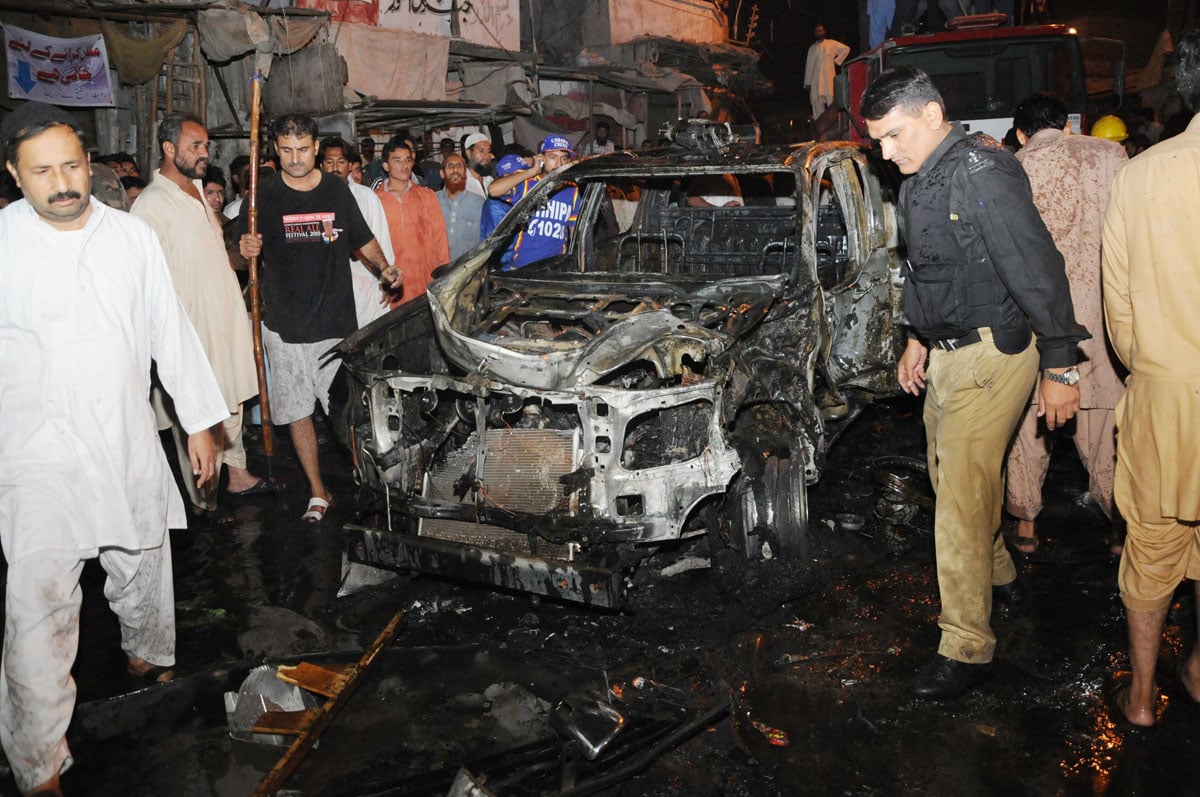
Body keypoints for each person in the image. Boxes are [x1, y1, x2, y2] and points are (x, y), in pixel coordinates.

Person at [0, 101, 227, 796]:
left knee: (142, 561)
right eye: (42, 170)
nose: (62, 182)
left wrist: (199, 422)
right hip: (35, 452)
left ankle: (145, 655)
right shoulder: (2, 242)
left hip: (125, 433)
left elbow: (169, 329)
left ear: (90, 164)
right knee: (36, 605)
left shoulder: (130, 238)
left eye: (72, 164)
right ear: (14, 174)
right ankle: (39, 761)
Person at [860, 67, 1088, 700]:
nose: (886, 152)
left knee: (957, 501)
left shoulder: (980, 171)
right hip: (951, 351)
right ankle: (999, 573)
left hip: (994, 351)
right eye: (878, 140)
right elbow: (927, 271)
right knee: (952, 475)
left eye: (894, 135)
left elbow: (1038, 268)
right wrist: (915, 339)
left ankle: (966, 645)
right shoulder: (921, 176)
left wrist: (1061, 365)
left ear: (933, 115)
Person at [1101, 26, 1200, 731]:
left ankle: (1140, 696)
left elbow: (1121, 314)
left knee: (1153, 545)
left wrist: (1157, 366)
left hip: (1167, 396)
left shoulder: (1142, 174)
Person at [237, 114, 400, 523]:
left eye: (303, 149)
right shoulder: (263, 194)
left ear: (315, 148)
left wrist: (384, 269)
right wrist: (245, 248)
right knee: (296, 412)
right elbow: (233, 256)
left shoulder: (335, 190)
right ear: (276, 149)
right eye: (287, 150)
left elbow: (363, 239)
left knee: (349, 413)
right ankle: (317, 491)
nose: (295, 159)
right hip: (284, 328)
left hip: (334, 328)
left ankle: (373, 485)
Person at [1003, 93, 1127, 557]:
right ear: (1069, 126)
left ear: (1021, 134)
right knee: (1105, 430)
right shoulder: (1111, 156)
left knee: (1028, 427)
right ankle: (1120, 530)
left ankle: (1027, 525)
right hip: (1104, 320)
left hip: (1037, 323)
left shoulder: (1011, 168)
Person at [131, 112, 269, 519]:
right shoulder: (149, 206)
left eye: (206, 146)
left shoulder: (196, 191)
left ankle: (238, 475)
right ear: (169, 149)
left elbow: (217, 257)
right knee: (197, 411)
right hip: (188, 329)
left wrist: (240, 253)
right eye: (195, 146)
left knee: (229, 403)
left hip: (223, 318)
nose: (205, 153)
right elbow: (146, 281)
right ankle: (203, 500)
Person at [320, 135, 395, 327]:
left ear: (349, 165)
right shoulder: (313, 199)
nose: (335, 167)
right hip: (327, 288)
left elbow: (381, 237)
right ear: (321, 165)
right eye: (329, 162)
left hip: (366, 282)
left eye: (341, 162)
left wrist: (386, 277)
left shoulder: (366, 196)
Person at [487, 135, 582, 271]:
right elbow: (493, 190)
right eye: (553, 157)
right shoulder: (528, 183)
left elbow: (575, 232)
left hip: (556, 268)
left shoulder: (571, 189)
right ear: (542, 159)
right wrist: (532, 170)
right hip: (523, 267)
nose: (559, 164)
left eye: (564, 158)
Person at [376, 137, 449, 306]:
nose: (404, 165)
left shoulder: (426, 195)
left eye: (408, 160)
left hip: (426, 280)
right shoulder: (375, 200)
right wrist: (380, 280)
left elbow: (440, 239)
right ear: (386, 165)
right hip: (394, 284)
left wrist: (445, 276)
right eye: (397, 160)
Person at [437, 152, 485, 260]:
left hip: (468, 269)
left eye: (459, 166)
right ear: (442, 173)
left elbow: (485, 241)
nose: (455, 170)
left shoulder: (479, 202)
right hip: (438, 269)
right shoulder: (432, 201)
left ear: (465, 173)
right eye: (450, 166)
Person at [804, 24, 851, 119]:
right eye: (817, 31)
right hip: (815, 81)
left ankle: (833, 123)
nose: (819, 33)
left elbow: (846, 49)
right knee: (816, 103)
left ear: (824, 32)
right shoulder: (812, 48)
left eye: (821, 30)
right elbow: (808, 66)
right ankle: (819, 125)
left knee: (831, 102)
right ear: (814, 33)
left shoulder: (831, 43)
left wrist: (837, 61)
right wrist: (807, 82)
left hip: (828, 79)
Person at [462, 131, 494, 199]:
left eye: (489, 151)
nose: (487, 156)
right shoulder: (461, 183)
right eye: (481, 151)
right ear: (469, 153)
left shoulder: (489, 180)